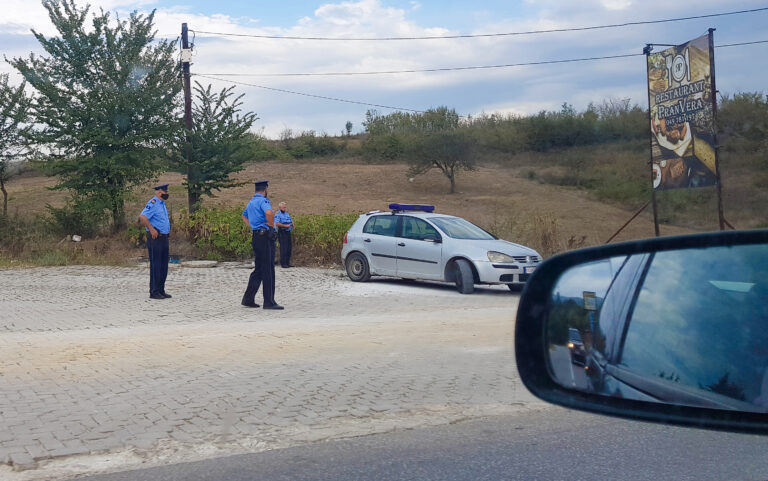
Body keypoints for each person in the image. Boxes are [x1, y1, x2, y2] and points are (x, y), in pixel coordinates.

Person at [241, 180, 283, 310]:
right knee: (268, 269)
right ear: (265, 190)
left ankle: (248, 298)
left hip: (256, 236)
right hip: (265, 237)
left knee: (258, 269)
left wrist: (253, 226)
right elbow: (269, 213)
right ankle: (269, 301)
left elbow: (244, 216)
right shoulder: (263, 201)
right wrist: (270, 225)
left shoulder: (251, 202)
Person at [139, 184, 172, 300]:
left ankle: (161, 290)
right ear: (159, 192)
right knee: (156, 265)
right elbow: (143, 217)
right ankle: (154, 291)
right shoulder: (153, 203)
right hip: (156, 238)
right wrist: (151, 229)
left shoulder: (162, 204)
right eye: (165, 192)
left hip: (164, 237)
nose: (167, 194)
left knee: (164, 265)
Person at [275, 201, 294, 268]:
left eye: (285, 207)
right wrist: (285, 226)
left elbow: (290, 220)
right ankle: (283, 263)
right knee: (284, 248)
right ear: (280, 207)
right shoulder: (277, 214)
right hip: (282, 232)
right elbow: (277, 223)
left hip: (288, 232)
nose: (284, 208)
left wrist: (292, 223)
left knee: (289, 247)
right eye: (283, 207)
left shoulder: (287, 214)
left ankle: (288, 262)